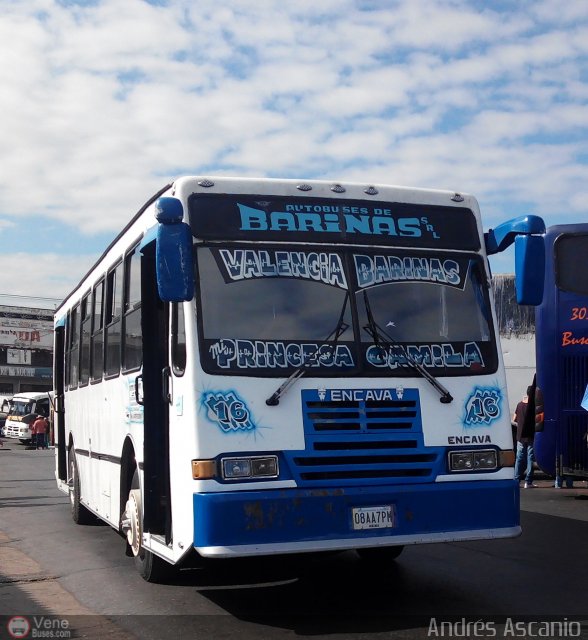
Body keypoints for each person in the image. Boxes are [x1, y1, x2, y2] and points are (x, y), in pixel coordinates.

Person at [513, 386, 537, 488]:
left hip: (520, 436)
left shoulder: (519, 405)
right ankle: (528, 481)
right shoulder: (534, 407)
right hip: (530, 436)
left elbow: (514, 419)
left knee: (519, 458)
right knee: (530, 458)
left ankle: (516, 480)